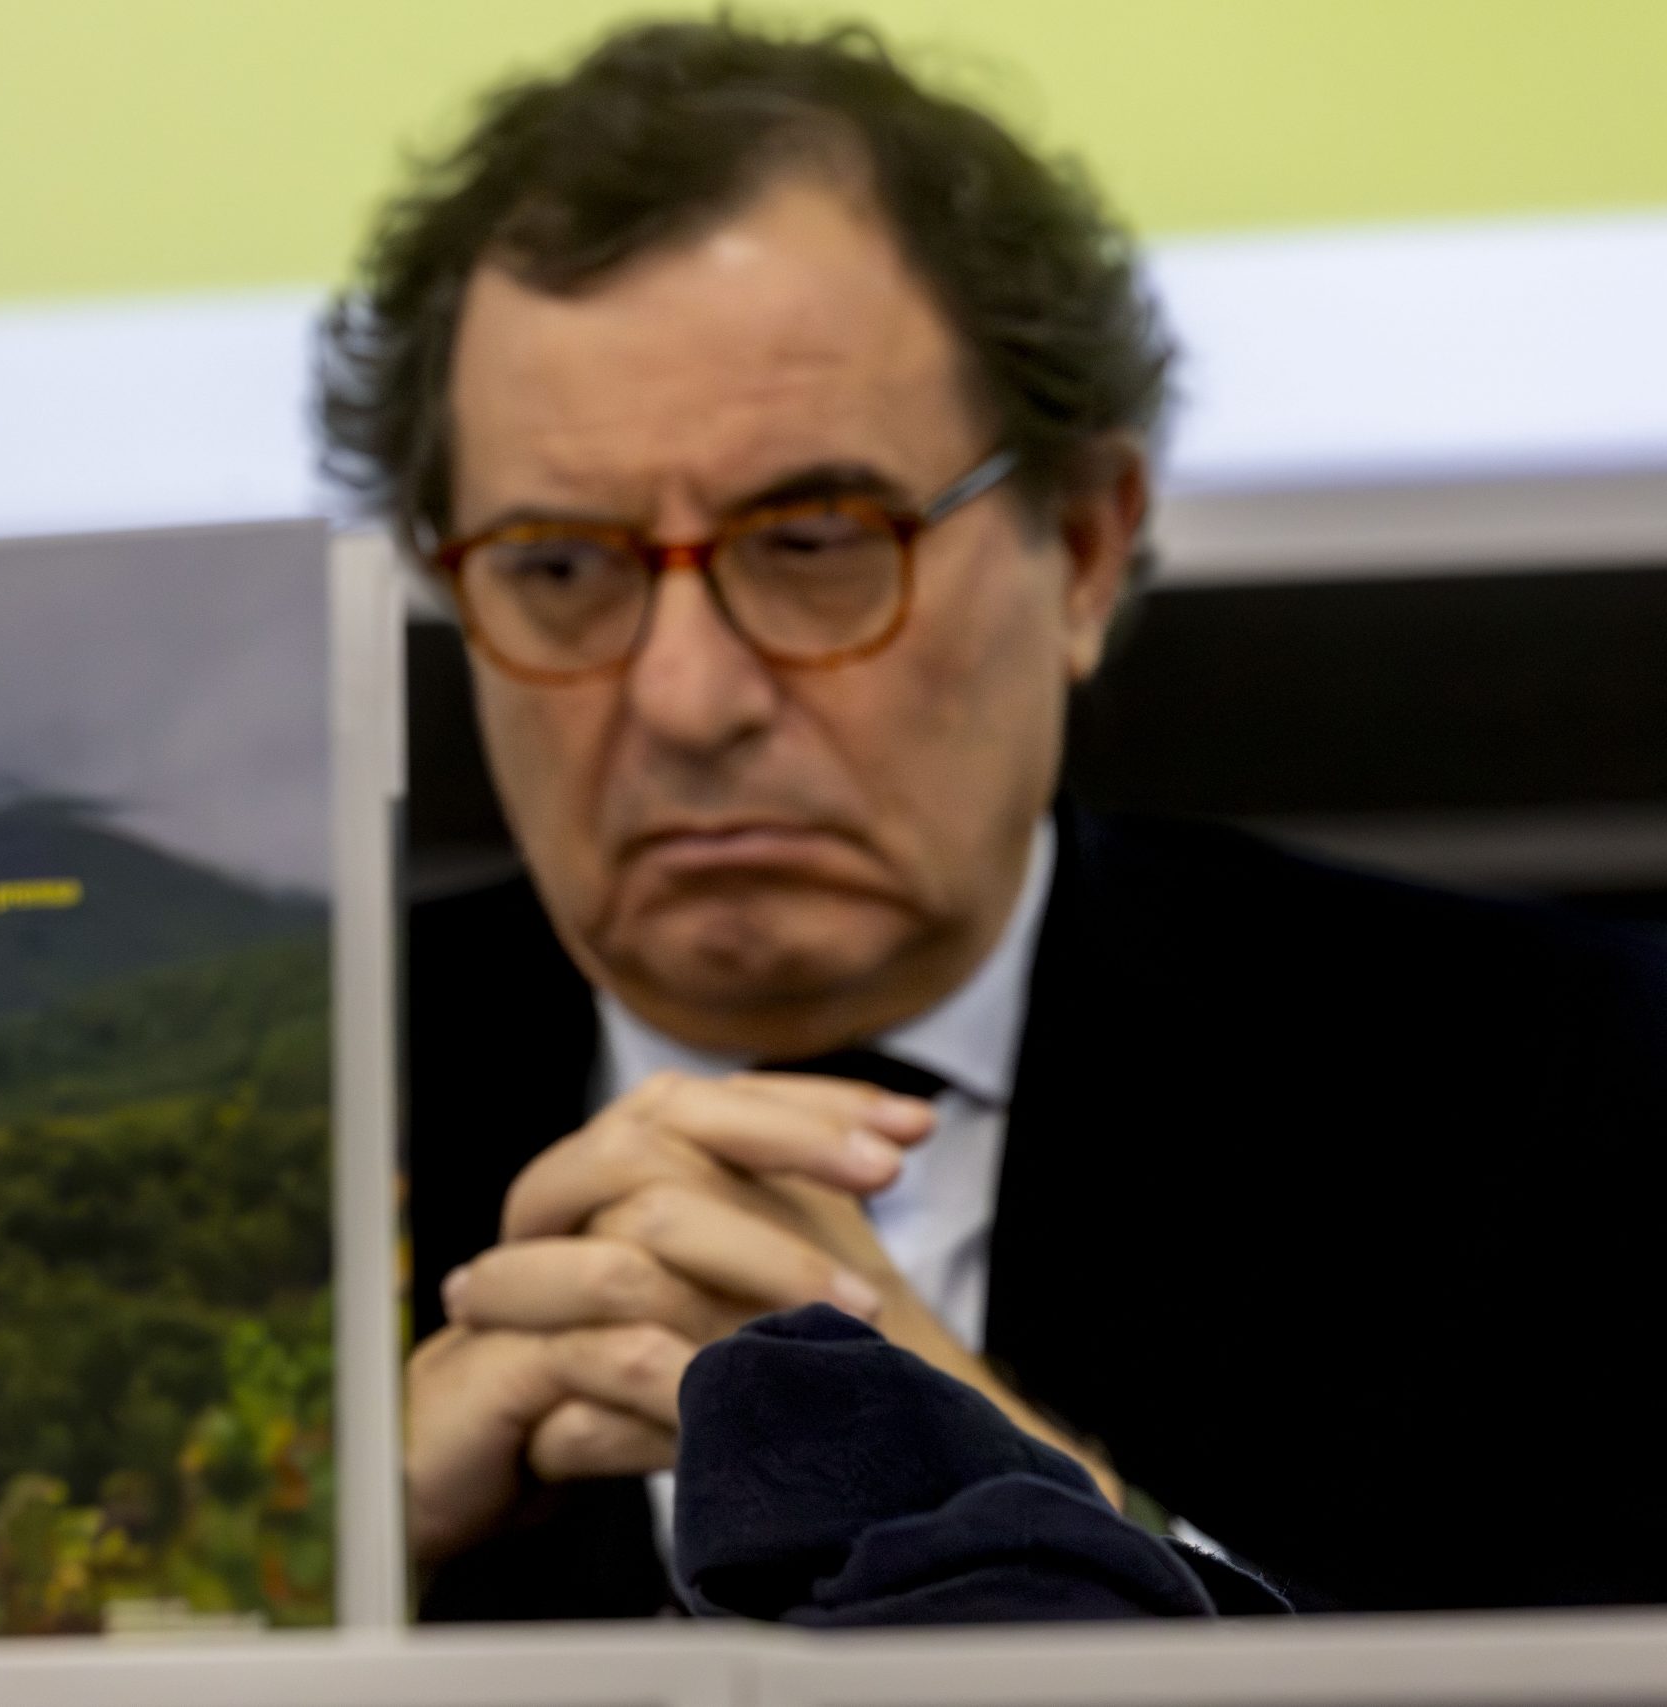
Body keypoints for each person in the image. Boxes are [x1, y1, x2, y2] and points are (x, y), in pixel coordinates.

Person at [318, 17, 1667, 1618]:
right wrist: (300, 1581)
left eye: (814, 539)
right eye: (556, 564)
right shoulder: (245, 1128)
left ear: (1082, 547)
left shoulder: (1577, 1096)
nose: (684, 695)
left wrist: (1031, 1520)